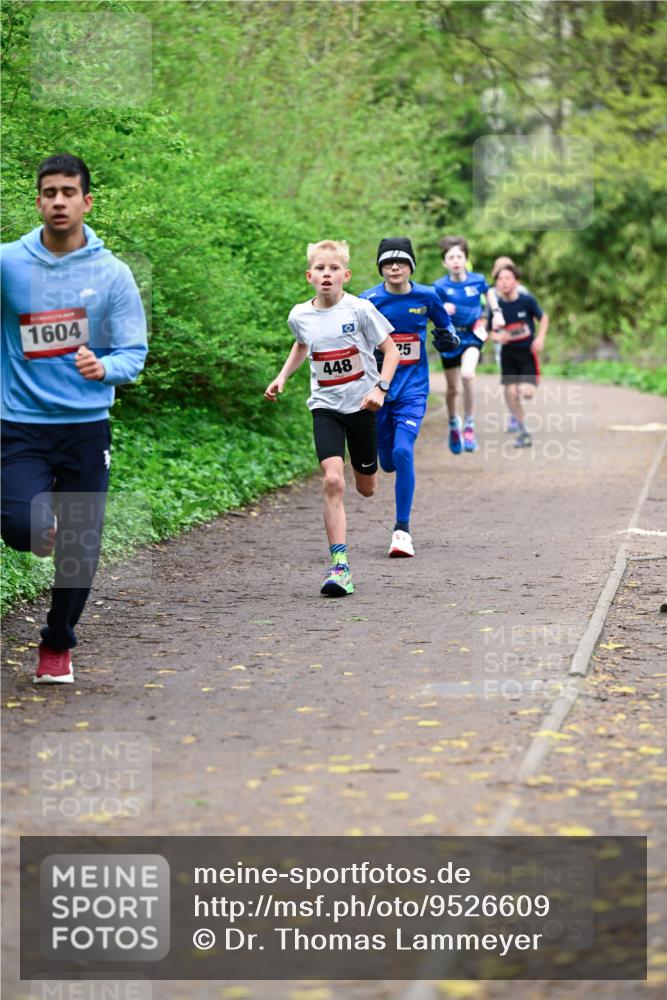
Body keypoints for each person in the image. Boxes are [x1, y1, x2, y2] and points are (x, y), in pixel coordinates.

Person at [1, 153, 148, 683]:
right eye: (48, 192)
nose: (58, 201)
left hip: (86, 428)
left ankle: (58, 642)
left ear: (87, 201)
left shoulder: (112, 273)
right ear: (38, 200)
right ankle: (43, 532)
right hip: (20, 424)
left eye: (68, 192)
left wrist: (102, 366)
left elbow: (134, 352)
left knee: (80, 548)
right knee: (21, 524)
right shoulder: (8, 264)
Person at [264, 240, 399, 596]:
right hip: (325, 406)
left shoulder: (361, 309)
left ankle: (372, 461)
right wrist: (282, 377)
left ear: (346, 275)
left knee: (366, 488)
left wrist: (380, 389)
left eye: (334, 269)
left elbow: (392, 351)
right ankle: (340, 566)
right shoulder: (299, 315)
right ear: (310, 276)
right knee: (333, 481)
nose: (327, 274)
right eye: (320, 269)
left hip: (363, 407)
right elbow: (302, 344)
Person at [359, 237, 459, 557]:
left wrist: (447, 340)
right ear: (381, 268)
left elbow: (448, 333)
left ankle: (402, 530)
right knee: (386, 460)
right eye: (388, 262)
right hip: (378, 391)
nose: (395, 267)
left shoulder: (428, 295)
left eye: (401, 262)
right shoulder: (368, 300)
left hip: (414, 390)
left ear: (411, 266)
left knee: (403, 452)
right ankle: (382, 453)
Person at [433, 236, 503, 453]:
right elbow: (431, 309)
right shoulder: (439, 286)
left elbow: (489, 292)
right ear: (444, 262)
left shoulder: (477, 280)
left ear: (465, 259)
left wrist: (497, 312)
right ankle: (454, 423)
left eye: (459, 256)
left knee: (468, 375)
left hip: (473, 336)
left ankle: (470, 424)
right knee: (453, 388)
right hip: (450, 339)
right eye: (450, 257)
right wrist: (443, 307)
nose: (455, 260)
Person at [491, 263, 549, 448]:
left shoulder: (526, 300)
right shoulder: (496, 306)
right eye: (500, 279)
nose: (504, 282)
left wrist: (539, 339)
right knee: (512, 394)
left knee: (527, 393)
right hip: (508, 355)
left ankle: (522, 425)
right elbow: (485, 330)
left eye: (508, 278)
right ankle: (523, 431)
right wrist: (497, 337)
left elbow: (544, 317)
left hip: (526, 354)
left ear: (516, 281)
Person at [491, 255, 528, 432]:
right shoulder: (491, 294)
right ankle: (514, 413)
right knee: (509, 383)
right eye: (500, 269)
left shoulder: (524, 292)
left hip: (523, 346)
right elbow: (485, 319)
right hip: (502, 345)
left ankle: (517, 410)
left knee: (522, 383)